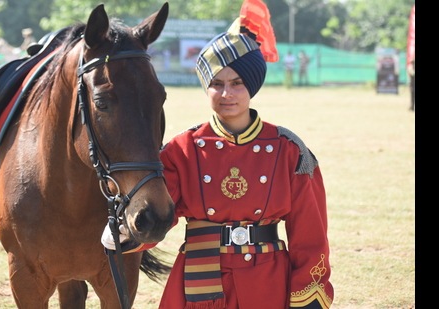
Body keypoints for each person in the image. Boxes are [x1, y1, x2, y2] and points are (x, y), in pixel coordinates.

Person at [102, 0, 334, 308]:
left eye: (237, 83)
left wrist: (308, 295)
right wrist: (125, 232)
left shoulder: (290, 150)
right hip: (197, 282)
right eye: (217, 84)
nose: (227, 94)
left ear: (251, 85)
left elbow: (310, 235)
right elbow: (155, 219)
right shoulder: (181, 150)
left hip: (267, 281)